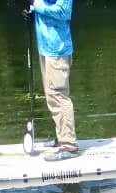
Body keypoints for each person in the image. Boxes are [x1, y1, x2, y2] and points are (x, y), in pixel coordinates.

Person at [24, 0, 79, 161]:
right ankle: (62, 137)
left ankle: (69, 146)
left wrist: (36, 4)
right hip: (46, 48)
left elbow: (62, 12)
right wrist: (33, 10)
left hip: (57, 49)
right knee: (51, 96)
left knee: (59, 96)